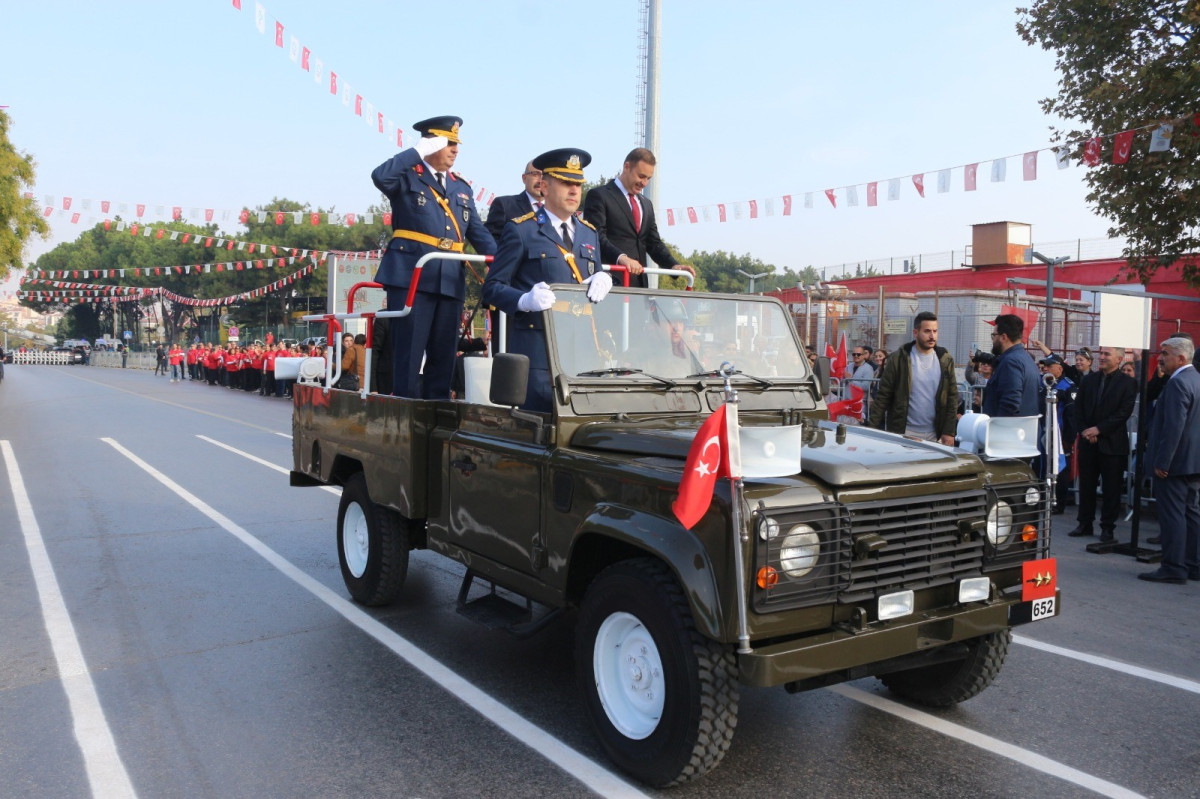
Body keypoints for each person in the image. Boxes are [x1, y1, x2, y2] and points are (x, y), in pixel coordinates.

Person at [371, 115, 496, 399]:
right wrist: (418, 151)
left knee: (443, 356)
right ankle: (406, 415)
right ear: (431, 143)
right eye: (448, 143)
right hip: (412, 277)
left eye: (456, 144)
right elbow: (379, 176)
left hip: (450, 280)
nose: (455, 149)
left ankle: (437, 415)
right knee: (409, 354)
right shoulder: (406, 175)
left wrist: (500, 264)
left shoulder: (461, 188)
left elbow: (477, 232)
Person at [482, 147, 613, 413]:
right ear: (544, 186)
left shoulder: (589, 234)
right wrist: (523, 300)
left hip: (582, 350)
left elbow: (592, 277)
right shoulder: (521, 230)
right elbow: (492, 289)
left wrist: (604, 276)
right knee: (539, 426)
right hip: (539, 349)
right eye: (566, 183)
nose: (574, 190)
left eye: (578, 184)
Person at [582, 147, 693, 288]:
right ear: (626, 167)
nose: (645, 183)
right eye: (641, 176)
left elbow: (654, 243)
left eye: (648, 178)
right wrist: (621, 258)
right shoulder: (599, 196)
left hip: (639, 288)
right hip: (608, 284)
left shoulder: (646, 204)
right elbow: (596, 236)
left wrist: (673, 265)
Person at [1140, 337, 1200, 583]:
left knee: (1173, 514)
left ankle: (1174, 567)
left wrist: (1163, 462)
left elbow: (1174, 426)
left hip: (1174, 463)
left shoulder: (1178, 383)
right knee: (1191, 513)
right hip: (1193, 461)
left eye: (1165, 353)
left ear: (1181, 358)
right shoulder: (1196, 379)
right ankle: (1192, 564)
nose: (1160, 358)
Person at [1067, 346, 1136, 540]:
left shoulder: (1128, 383)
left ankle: (1108, 527)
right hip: (1088, 442)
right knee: (1087, 485)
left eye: (1107, 355)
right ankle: (1084, 523)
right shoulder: (1089, 380)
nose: (1102, 357)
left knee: (1111, 488)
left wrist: (1100, 429)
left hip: (1112, 444)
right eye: (1101, 354)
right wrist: (1086, 431)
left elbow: (1123, 412)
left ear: (1120, 359)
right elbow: (1078, 409)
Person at [867, 311, 958, 445]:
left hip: (935, 434)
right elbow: (883, 396)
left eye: (935, 331)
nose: (932, 336)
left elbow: (952, 396)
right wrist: (871, 430)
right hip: (904, 432)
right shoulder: (898, 359)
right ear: (916, 333)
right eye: (927, 331)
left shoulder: (945, 359)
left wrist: (949, 432)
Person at [1038, 353, 1078, 514]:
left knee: (1060, 469)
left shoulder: (1068, 386)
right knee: (1043, 466)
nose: (1045, 368)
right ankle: (1043, 499)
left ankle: (1058, 502)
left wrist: (1068, 438)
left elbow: (1072, 415)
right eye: (1044, 366)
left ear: (1060, 368)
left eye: (1049, 366)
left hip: (1061, 435)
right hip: (1044, 432)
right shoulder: (1044, 382)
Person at [982, 313, 1040, 418]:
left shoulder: (1010, 362)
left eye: (994, 335)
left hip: (1009, 431)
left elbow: (1010, 403)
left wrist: (997, 428)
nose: (993, 340)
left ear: (1003, 337)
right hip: (1024, 430)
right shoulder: (1026, 359)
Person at [485, 161, 544, 241]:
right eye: (535, 175)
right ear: (524, 178)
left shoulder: (559, 210)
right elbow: (490, 241)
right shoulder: (504, 205)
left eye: (545, 176)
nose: (540, 181)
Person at [845, 343, 875, 419]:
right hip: (847, 403)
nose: (856, 356)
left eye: (858, 354)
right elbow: (842, 382)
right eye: (854, 354)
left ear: (863, 355)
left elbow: (866, 386)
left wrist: (851, 380)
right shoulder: (849, 366)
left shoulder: (868, 369)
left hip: (860, 405)